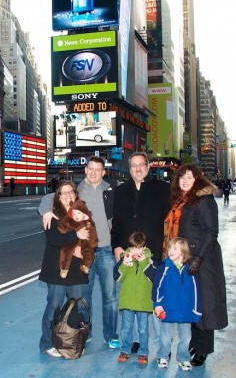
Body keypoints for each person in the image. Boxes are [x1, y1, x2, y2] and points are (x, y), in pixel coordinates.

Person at [40, 156, 118, 349]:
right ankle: (85, 332)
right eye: (90, 168)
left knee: (110, 297)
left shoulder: (113, 189)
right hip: (83, 253)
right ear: (85, 170)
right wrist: (46, 211)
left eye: (97, 169)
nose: (93, 172)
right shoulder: (78, 190)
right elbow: (52, 196)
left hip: (106, 249)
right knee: (84, 297)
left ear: (103, 171)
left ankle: (110, 334)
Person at [164, 164, 228, 366]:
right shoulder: (182, 201)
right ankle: (194, 342)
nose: (184, 180)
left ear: (197, 180)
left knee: (205, 304)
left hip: (204, 260)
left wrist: (198, 258)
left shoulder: (204, 200)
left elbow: (211, 232)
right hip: (186, 259)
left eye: (189, 177)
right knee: (192, 302)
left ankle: (203, 349)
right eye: (182, 177)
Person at [111, 151, 171, 352]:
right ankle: (136, 340)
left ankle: (162, 346)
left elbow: (168, 222)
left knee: (155, 299)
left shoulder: (163, 189)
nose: (138, 168)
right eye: (133, 165)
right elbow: (117, 224)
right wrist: (117, 246)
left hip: (153, 254)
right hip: (129, 254)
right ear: (129, 169)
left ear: (148, 166)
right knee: (132, 299)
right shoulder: (120, 192)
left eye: (141, 164)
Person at [38, 180, 90, 357]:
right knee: (54, 306)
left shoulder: (82, 214)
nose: (68, 195)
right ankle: (47, 343)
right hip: (56, 270)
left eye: (71, 192)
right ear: (57, 196)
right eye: (64, 192)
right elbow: (55, 239)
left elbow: (90, 238)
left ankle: (71, 341)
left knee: (75, 307)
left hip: (76, 269)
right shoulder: (51, 215)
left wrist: (84, 251)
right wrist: (76, 235)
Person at [153, 237, 201, 371]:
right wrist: (157, 304)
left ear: (183, 252)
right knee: (166, 336)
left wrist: (197, 311)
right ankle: (163, 355)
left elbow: (197, 292)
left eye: (175, 248)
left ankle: (183, 357)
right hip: (168, 309)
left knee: (186, 336)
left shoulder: (191, 270)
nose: (170, 251)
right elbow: (157, 287)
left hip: (185, 310)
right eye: (169, 248)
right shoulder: (164, 267)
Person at [113, 231, 155, 365]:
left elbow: (154, 277)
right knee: (126, 328)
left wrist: (143, 263)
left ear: (144, 248)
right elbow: (117, 277)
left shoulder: (150, 260)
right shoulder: (124, 258)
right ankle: (125, 349)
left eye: (138, 248)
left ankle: (143, 352)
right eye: (132, 248)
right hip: (127, 301)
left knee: (143, 329)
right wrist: (124, 264)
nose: (135, 251)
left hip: (143, 302)